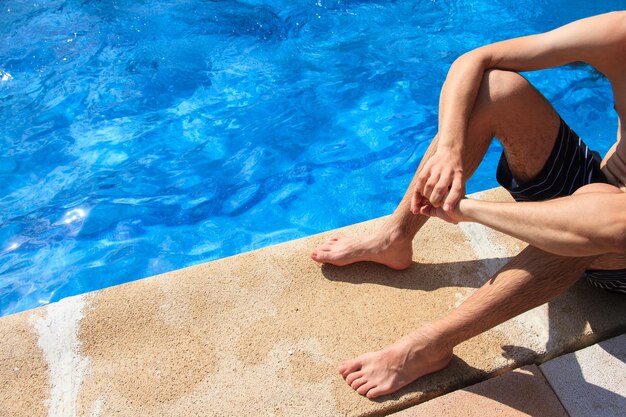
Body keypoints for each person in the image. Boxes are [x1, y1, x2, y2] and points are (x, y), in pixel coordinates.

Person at [310, 11, 626, 399]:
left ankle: (431, 345)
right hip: (603, 193)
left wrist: (467, 208)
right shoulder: (619, 34)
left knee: (594, 215)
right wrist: (449, 151)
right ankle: (394, 237)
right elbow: (476, 60)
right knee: (496, 89)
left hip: (616, 242)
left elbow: (612, 223)